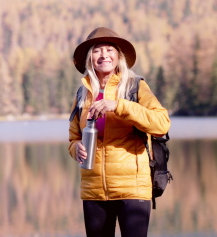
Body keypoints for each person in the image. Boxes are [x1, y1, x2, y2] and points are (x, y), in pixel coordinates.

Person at [68, 27, 171, 237]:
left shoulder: (135, 87)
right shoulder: (82, 94)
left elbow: (161, 123)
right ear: (90, 58)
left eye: (109, 50)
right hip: (94, 189)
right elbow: (73, 137)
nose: (104, 55)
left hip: (132, 188)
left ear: (118, 56)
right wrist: (75, 148)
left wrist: (119, 106)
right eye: (97, 50)